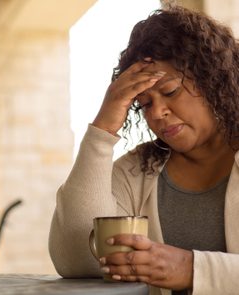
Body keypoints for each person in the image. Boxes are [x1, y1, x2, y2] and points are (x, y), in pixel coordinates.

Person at [48, 5, 239, 295]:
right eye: (144, 104)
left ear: (213, 80)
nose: (158, 112)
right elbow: (77, 259)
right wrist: (102, 130)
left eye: (170, 91)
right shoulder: (138, 171)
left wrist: (192, 270)